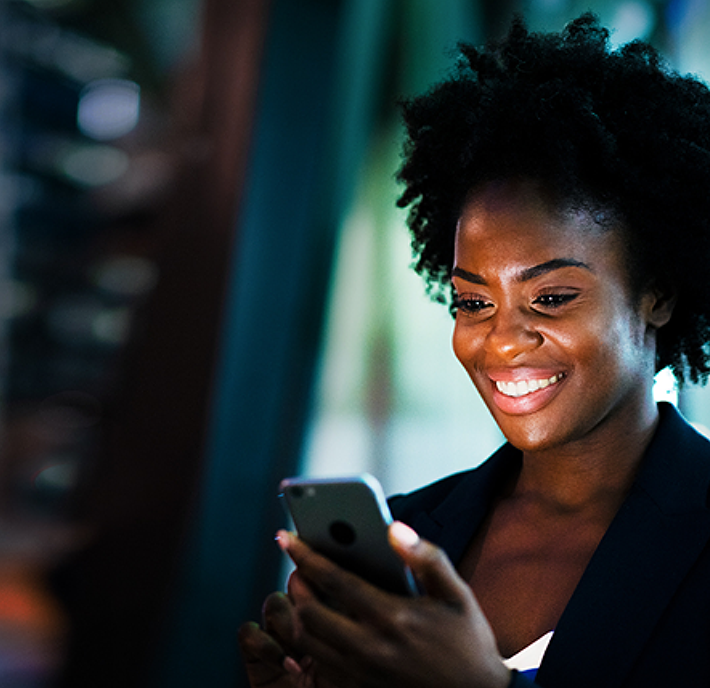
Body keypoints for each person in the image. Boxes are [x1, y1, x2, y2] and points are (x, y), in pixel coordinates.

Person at [238, 13, 710, 687]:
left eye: (551, 298)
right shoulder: (409, 532)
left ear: (657, 294)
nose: (502, 342)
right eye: (474, 302)